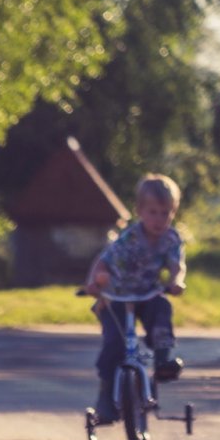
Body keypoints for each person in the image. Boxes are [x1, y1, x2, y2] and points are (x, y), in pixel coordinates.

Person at [84, 173, 187, 423]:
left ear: (173, 212)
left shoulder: (171, 238)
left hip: (148, 293)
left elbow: (177, 264)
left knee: (162, 308)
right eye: (152, 212)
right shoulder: (129, 237)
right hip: (115, 297)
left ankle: (163, 361)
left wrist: (176, 281)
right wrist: (96, 279)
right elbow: (104, 260)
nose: (159, 219)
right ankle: (106, 400)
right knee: (114, 345)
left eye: (165, 213)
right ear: (140, 210)